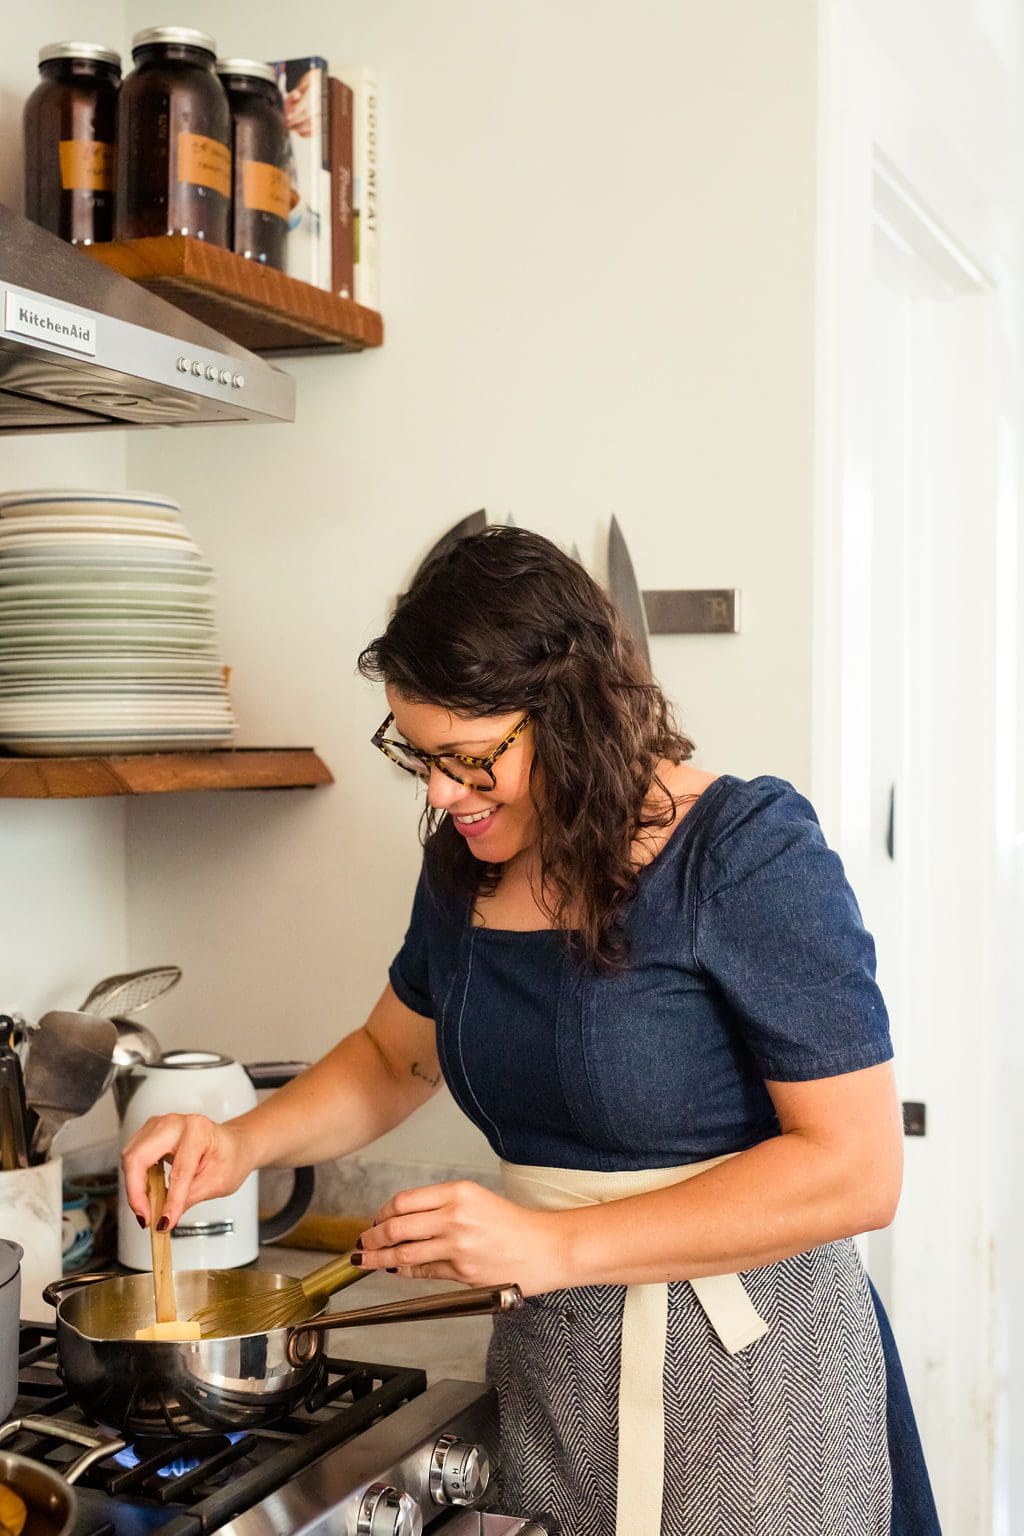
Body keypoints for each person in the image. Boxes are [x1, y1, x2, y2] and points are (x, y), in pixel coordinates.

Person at [122, 527, 940, 1536]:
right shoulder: (465, 867)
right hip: (559, 1369)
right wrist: (239, 1141)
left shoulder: (746, 854)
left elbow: (857, 1169)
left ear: (571, 714)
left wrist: (551, 1243)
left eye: (467, 760)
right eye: (417, 757)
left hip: (753, 1387)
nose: (436, 794)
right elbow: (393, 1055)